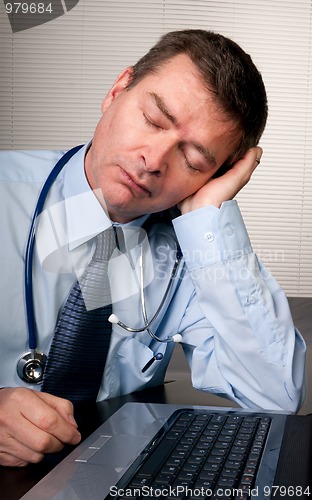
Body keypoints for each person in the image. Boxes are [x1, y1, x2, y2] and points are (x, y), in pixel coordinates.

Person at [0, 29, 306, 467]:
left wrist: (210, 219)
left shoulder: (194, 255)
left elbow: (275, 395)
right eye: (154, 120)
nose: (154, 160)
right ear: (117, 90)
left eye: (195, 160)